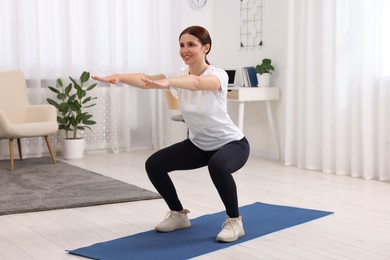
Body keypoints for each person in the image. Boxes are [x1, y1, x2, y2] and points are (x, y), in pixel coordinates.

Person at [92, 25, 250, 243]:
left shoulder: (218, 75)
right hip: (199, 145)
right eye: (181, 45)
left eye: (191, 44)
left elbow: (197, 83)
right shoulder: (178, 74)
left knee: (218, 165)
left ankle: (235, 221)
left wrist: (168, 82)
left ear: (206, 48)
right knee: (154, 164)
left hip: (231, 144)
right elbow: (145, 80)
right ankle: (178, 215)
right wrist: (119, 77)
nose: (185, 49)